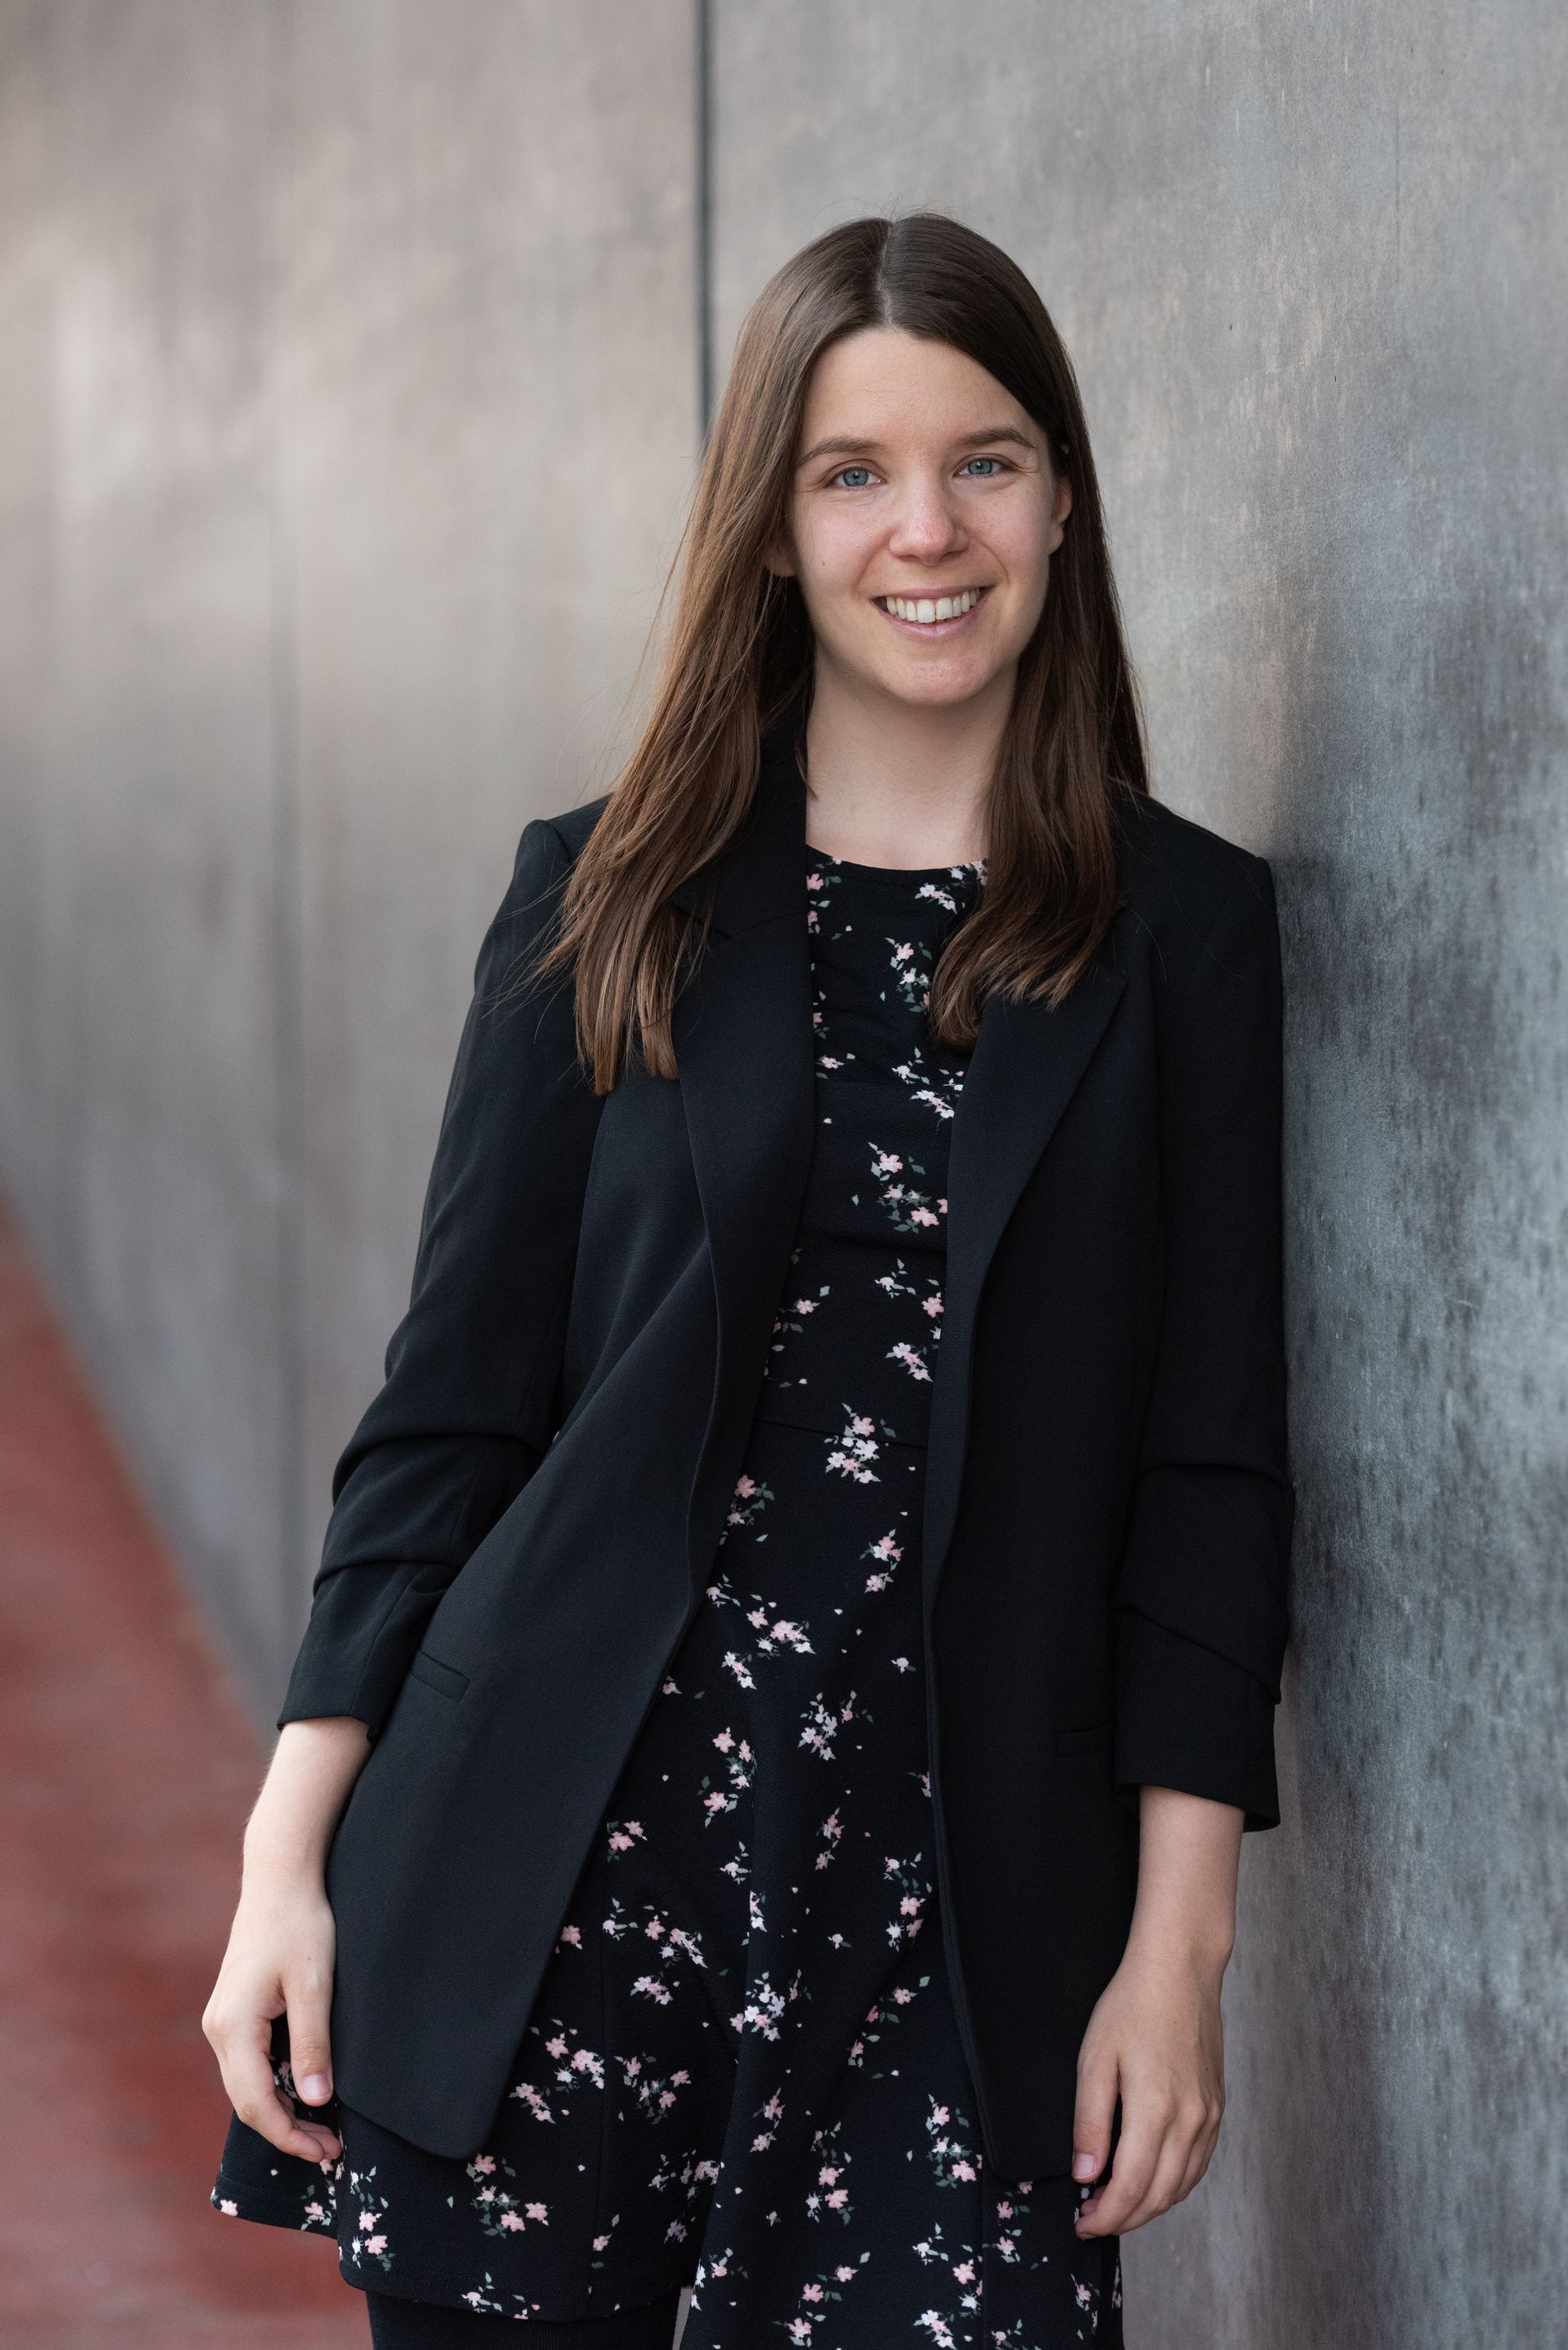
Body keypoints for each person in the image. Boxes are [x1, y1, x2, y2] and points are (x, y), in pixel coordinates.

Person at [203, 212, 1292, 2350]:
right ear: (772, 526)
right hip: (551, 1897)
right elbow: (449, 1422)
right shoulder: (602, 899)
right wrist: (279, 1864)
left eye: (985, 461)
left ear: (1064, 498)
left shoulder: (1182, 936)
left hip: (961, 1935)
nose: (928, 530)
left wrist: (1181, 1949)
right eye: (851, 471)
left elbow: (1210, 1475)